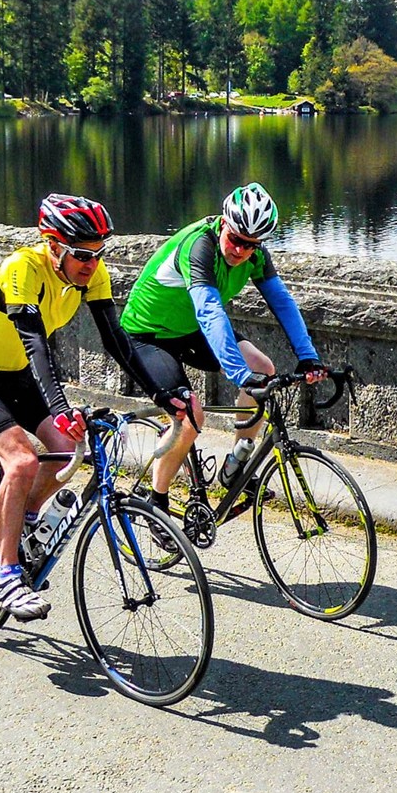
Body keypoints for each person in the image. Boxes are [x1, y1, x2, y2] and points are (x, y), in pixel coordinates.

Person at [0, 194, 186, 620]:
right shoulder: (22, 268)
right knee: (22, 461)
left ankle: (23, 517)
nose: (91, 263)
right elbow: (35, 344)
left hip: (17, 373)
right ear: (53, 245)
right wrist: (60, 408)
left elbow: (116, 340)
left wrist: (160, 394)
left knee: (64, 454)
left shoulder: (92, 272)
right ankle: (7, 574)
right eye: (81, 254)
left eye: (98, 253)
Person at [120, 183, 327, 547]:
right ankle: (156, 503)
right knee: (190, 415)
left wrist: (308, 356)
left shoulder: (255, 255)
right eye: (235, 239)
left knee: (263, 368)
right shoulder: (199, 246)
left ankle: (236, 465)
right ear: (223, 225)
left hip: (189, 331)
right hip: (146, 335)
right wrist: (237, 373)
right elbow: (209, 311)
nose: (240, 250)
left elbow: (282, 301)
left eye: (251, 244)